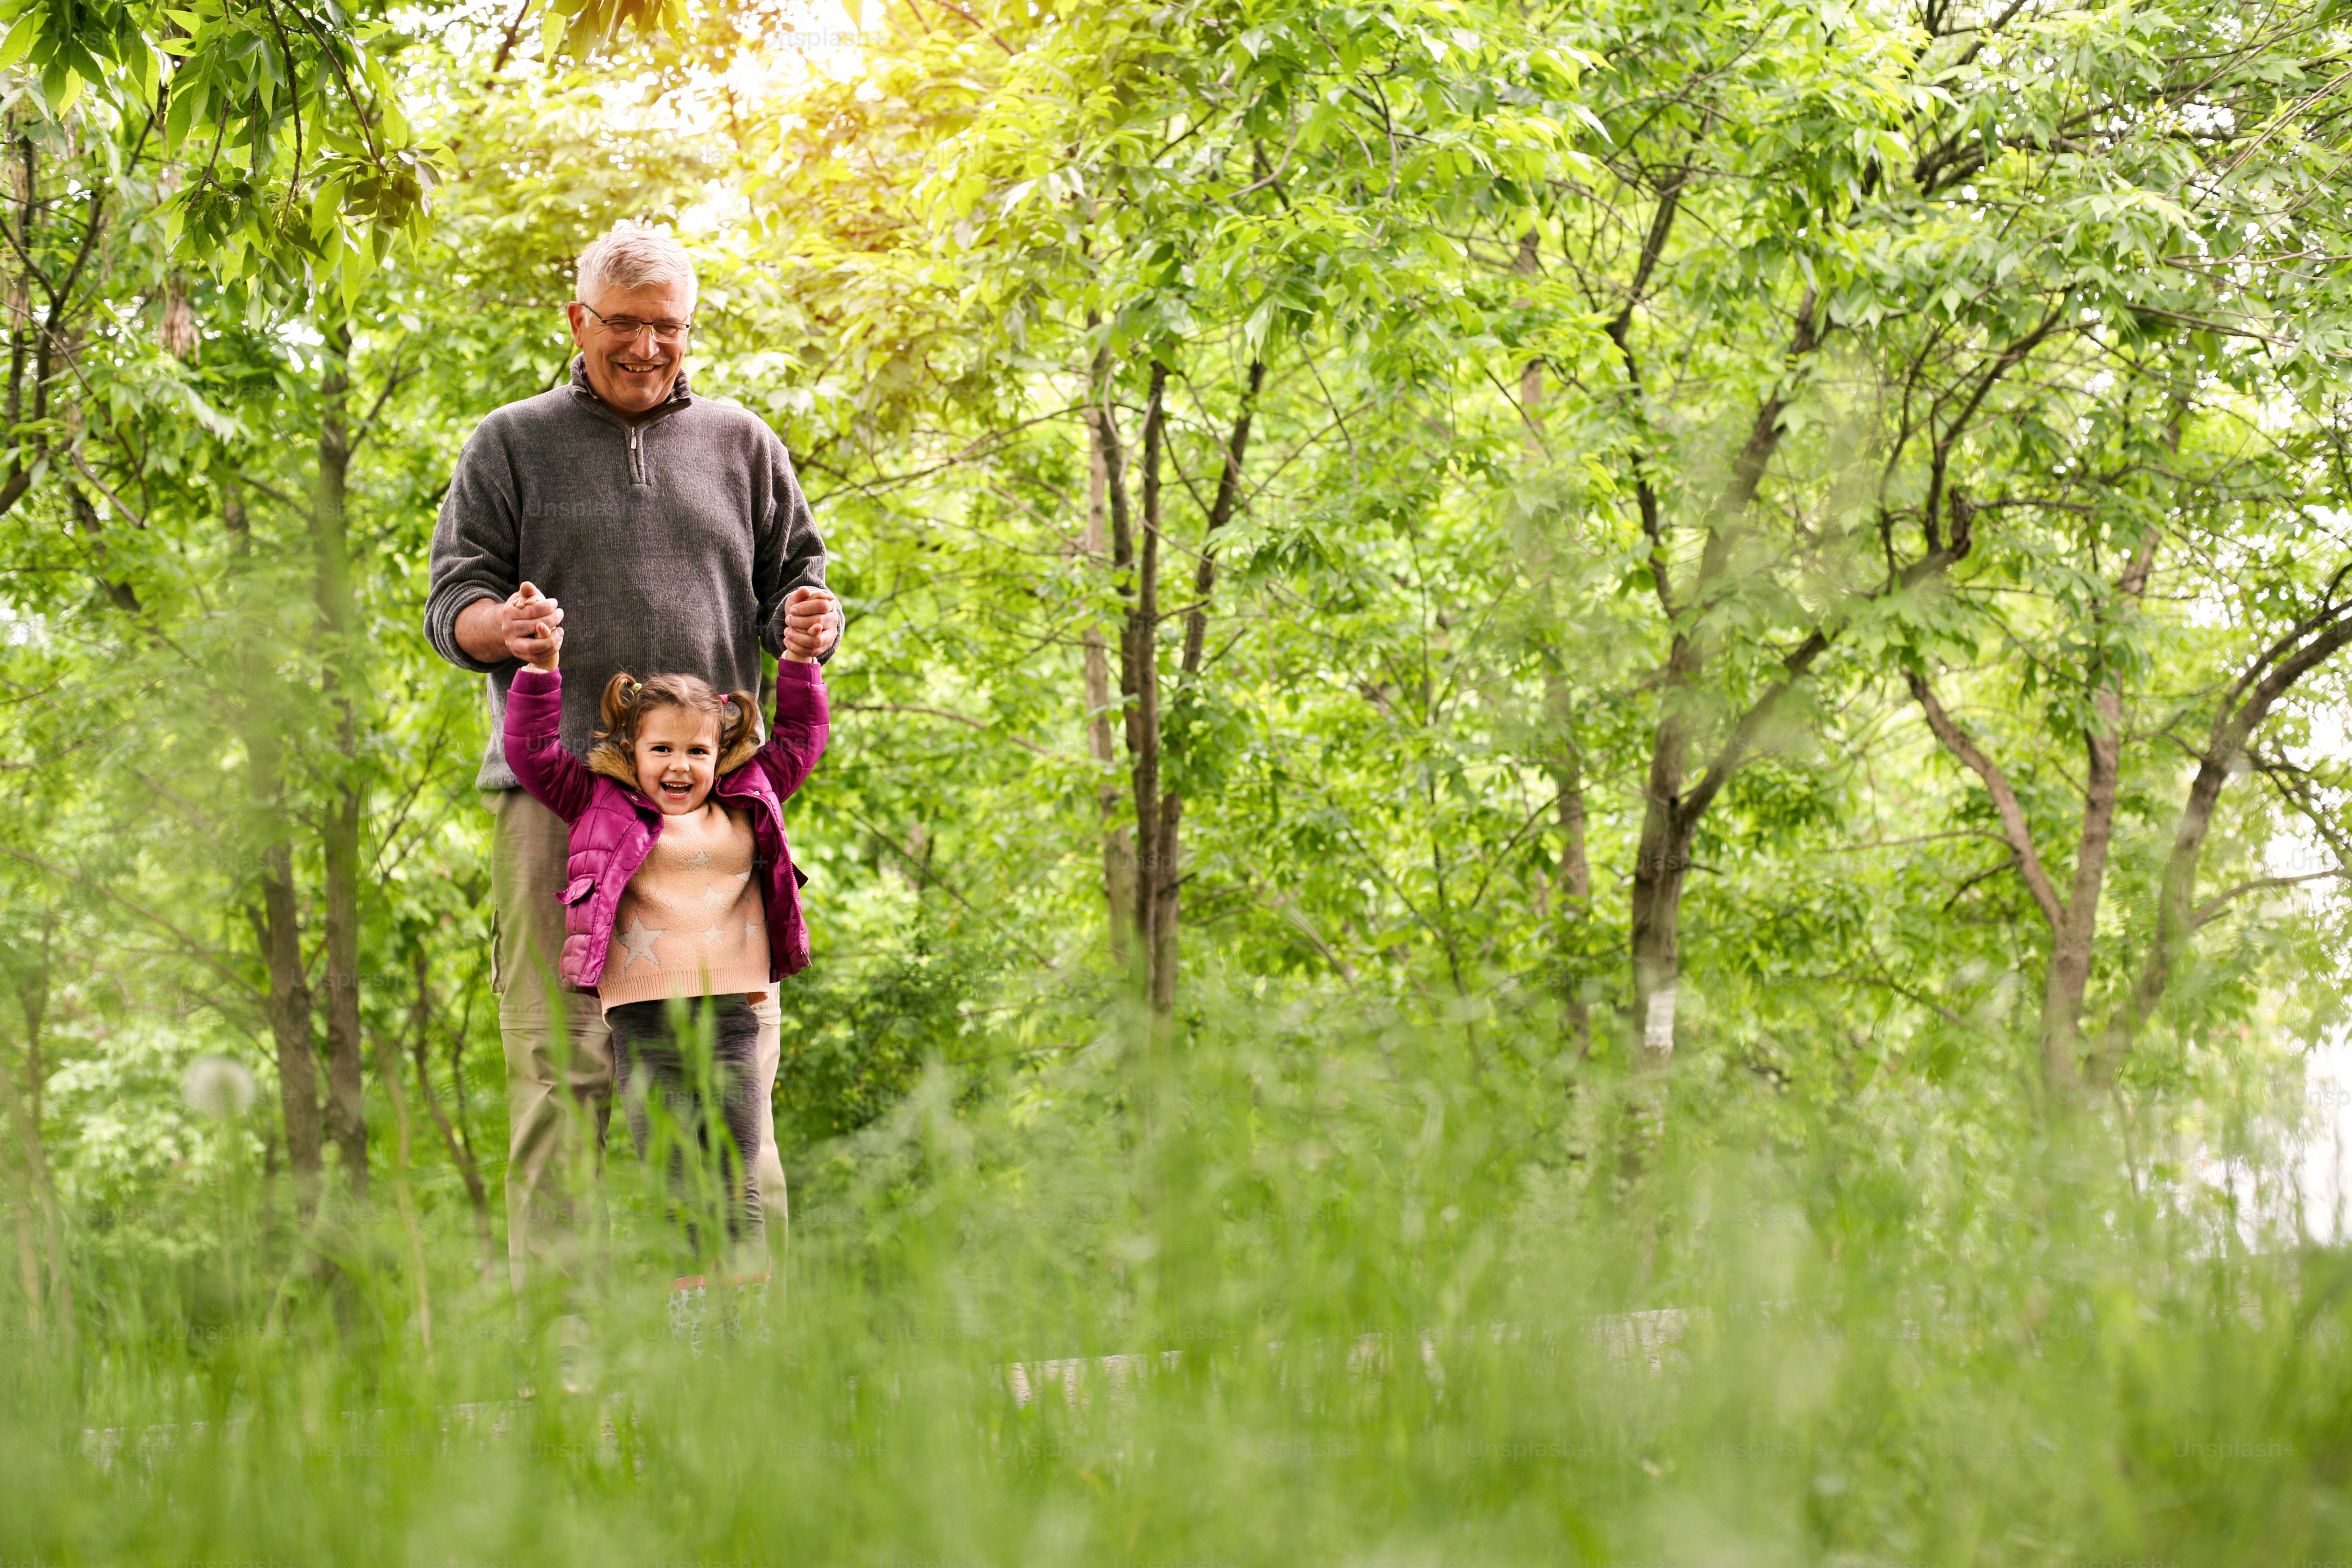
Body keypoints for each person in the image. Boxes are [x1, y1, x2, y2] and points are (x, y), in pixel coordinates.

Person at [423, 222, 841, 1292]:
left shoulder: (745, 445)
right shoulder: (509, 444)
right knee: (565, 1076)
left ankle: (746, 1352)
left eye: (670, 328)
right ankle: (565, 1368)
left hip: (712, 820)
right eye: (626, 324)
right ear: (578, 321)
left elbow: (798, 582)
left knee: (731, 1073)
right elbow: (453, 604)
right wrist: (502, 632)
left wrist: (811, 621)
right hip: (558, 802)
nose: (650, 347)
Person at [499, 585, 827, 1299]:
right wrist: (540, 669)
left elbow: (801, 739)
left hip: (729, 1021)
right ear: (632, 749)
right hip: (646, 1027)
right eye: (662, 749)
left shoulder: (749, 799)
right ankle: (696, 1339)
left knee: (734, 1176)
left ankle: (747, 1334)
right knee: (680, 1184)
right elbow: (527, 752)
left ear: (722, 752)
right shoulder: (598, 802)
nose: (679, 766)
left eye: (697, 751)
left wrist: (800, 659)